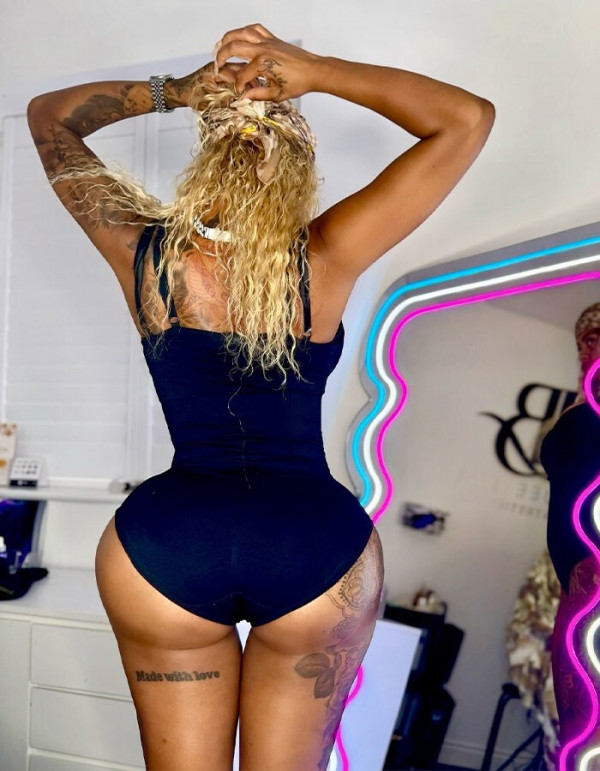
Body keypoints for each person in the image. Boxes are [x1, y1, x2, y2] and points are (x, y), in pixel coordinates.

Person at [27, 23, 495, 771]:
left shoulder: (144, 253)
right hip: (315, 549)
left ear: (206, 152)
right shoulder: (328, 254)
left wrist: (176, 90)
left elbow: (49, 116)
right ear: (296, 161)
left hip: (166, 545)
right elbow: (465, 120)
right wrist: (316, 69)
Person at [541, 301, 600, 768]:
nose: (586, 349)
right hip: (574, 584)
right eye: (582, 340)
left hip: (593, 580)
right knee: (577, 734)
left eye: (597, 339)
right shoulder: (581, 408)